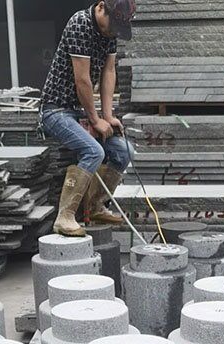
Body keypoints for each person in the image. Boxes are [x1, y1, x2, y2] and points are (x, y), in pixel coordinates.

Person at [40, 1, 136, 238]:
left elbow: (109, 71)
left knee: (124, 151)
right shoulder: (80, 24)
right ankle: (65, 217)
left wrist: (108, 116)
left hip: (79, 111)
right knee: (93, 151)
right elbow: (82, 80)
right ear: (101, 7)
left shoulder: (109, 31)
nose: (112, 32)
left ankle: (96, 206)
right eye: (112, 26)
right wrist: (95, 119)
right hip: (56, 110)